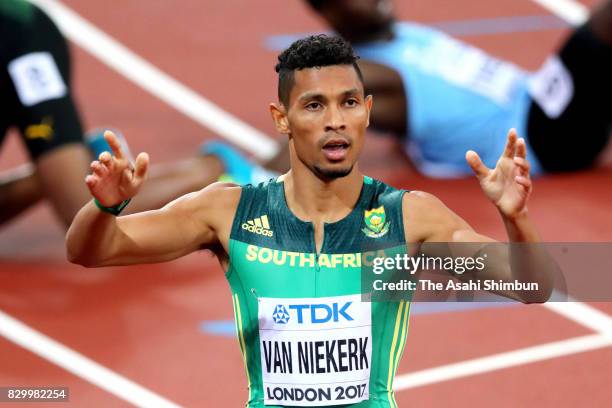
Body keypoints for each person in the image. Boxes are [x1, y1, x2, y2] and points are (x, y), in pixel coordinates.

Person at [66, 36, 553, 407]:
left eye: (347, 103)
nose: (334, 120)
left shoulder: (411, 218)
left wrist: (517, 217)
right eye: (315, 105)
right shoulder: (227, 212)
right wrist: (107, 207)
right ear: (282, 119)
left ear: (367, 112)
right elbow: (91, 251)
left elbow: (533, 286)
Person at [258, 0, 612, 178]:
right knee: (599, 32)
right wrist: (258, 183)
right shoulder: (362, 73)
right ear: (330, 11)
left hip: (537, 97)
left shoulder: (398, 35)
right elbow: (316, 117)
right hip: (538, 142)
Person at [0, 0, 227, 230]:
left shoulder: (18, 29)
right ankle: (63, 169)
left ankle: (217, 167)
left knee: (79, 204)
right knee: (67, 185)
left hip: (19, 40)